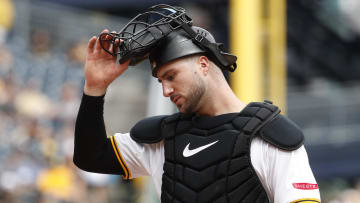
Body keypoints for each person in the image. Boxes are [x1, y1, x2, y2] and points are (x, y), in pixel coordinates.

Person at [73, 4, 321, 203]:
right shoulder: (162, 138)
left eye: (171, 76)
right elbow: (90, 158)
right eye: (160, 81)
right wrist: (95, 89)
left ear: (203, 64)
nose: (166, 90)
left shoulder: (269, 134)